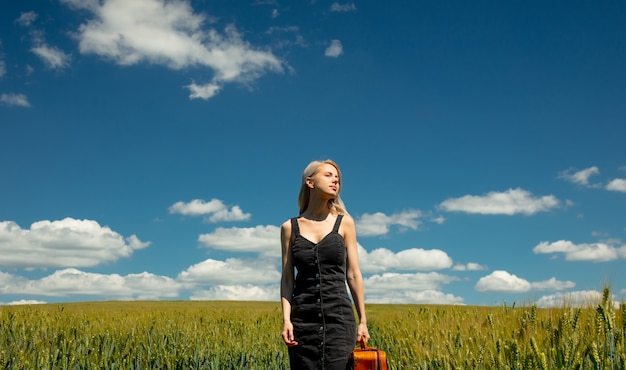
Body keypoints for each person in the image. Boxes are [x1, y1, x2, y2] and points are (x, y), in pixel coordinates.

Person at [280, 159, 370, 370]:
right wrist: (286, 320)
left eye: (337, 178)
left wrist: (363, 320)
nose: (335, 181)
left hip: (339, 319)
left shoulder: (345, 222)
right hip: (302, 322)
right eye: (328, 175)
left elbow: (354, 274)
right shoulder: (289, 228)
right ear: (310, 183)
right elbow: (286, 278)